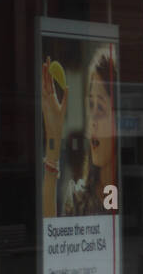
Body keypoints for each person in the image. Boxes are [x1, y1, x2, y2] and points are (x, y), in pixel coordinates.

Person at [42, 46, 119, 217]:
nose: (92, 123)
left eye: (100, 107)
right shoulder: (78, 199)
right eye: (91, 106)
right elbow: (54, 238)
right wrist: (53, 137)